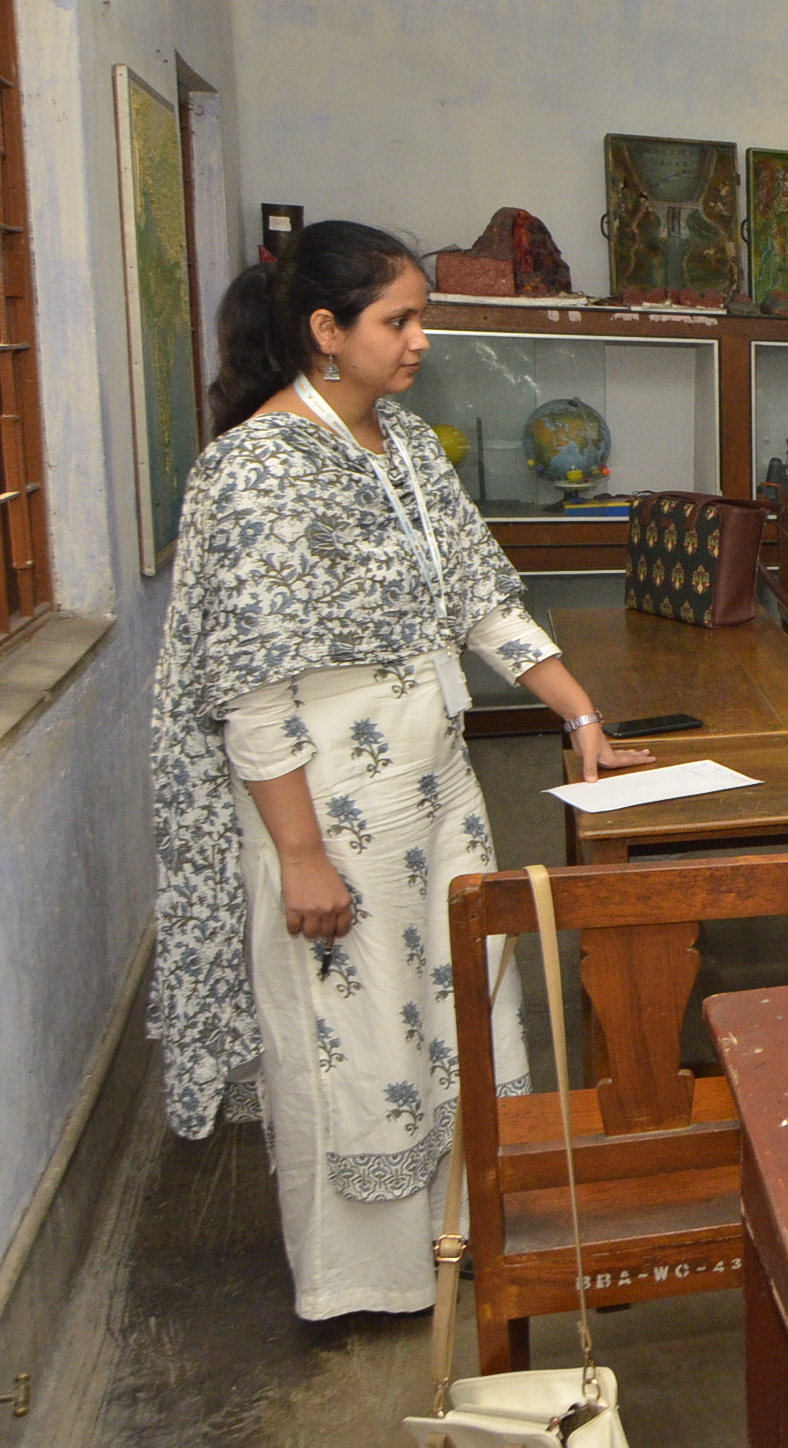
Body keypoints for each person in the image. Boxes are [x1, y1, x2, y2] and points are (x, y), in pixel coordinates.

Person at [148, 221, 651, 1320]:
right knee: (356, 1038)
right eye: (399, 320)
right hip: (325, 808)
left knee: (457, 1004)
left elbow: (480, 595)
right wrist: (298, 858)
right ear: (325, 332)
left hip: (434, 795)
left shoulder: (409, 448)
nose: (422, 340)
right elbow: (248, 689)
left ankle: (462, 1237)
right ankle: (365, 1282)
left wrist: (581, 716)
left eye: (423, 315)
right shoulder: (252, 471)